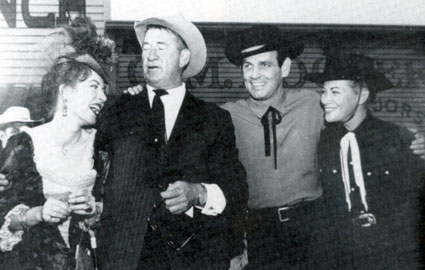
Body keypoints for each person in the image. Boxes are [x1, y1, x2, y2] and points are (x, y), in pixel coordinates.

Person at [97, 13, 248, 270]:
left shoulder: (214, 119)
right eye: (146, 48)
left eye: (161, 47)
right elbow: (96, 174)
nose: (150, 55)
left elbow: (236, 189)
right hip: (125, 257)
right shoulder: (116, 111)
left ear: (184, 58)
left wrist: (198, 193)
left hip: (194, 258)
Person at [306, 53, 424, 269]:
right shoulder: (323, 141)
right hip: (340, 255)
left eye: (335, 92)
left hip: (393, 255)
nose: (324, 99)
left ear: (361, 95)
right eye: (323, 91)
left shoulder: (400, 140)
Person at [0, 53, 108, 269]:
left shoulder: (101, 147)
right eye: (94, 87)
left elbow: (118, 210)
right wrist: (39, 213)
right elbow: (4, 218)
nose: (103, 97)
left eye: (104, 90)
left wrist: (93, 210)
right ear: (66, 92)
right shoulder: (22, 144)